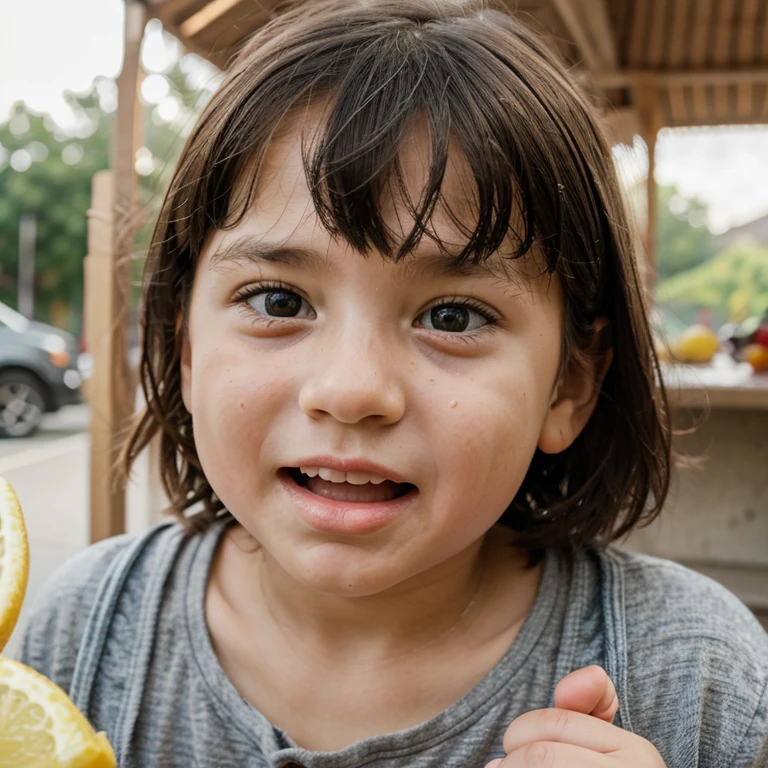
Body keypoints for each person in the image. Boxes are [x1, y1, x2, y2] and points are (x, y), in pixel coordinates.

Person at [19, 1, 768, 766]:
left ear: (568, 385)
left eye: (451, 314)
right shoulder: (82, 636)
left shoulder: (697, 682)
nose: (350, 390)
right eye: (278, 301)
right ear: (183, 345)